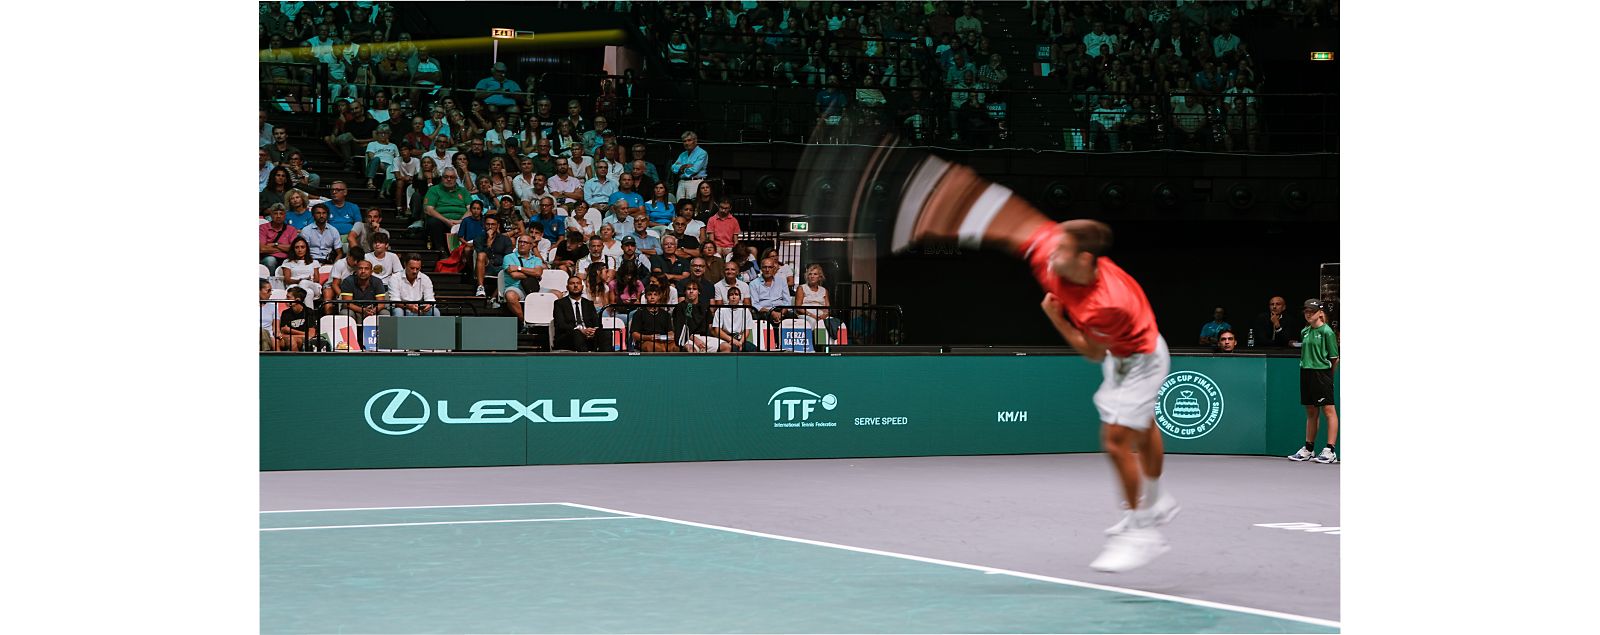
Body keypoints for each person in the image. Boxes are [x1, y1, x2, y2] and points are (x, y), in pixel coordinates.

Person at [1288, 299, 1340, 464]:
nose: (1308, 313)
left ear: (1320, 312)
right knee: (1311, 411)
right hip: (1306, 373)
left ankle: (1330, 450)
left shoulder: (1327, 332)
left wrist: (1328, 377)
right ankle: (1308, 449)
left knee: (1328, 410)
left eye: (1311, 311)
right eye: (1306, 311)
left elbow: (1334, 358)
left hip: (1322, 373)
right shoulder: (1305, 331)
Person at [552, 273, 607, 351]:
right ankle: (583, 360)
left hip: (588, 335)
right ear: (567, 287)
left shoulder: (589, 303)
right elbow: (560, 324)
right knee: (577, 333)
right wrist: (581, 330)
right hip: (568, 337)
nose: (575, 286)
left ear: (582, 287)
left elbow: (596, 322)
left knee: (605, 333)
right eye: (572, 283)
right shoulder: (559, 303)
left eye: (578, 283)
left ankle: (606, 360)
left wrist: (593, 331)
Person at [501, 234, 546, 326]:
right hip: (516, 287)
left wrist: (518, 268)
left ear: (530, 245)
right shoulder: (509, 257)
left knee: (558, 294)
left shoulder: (537, 259)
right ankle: (524, 321)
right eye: (520, 242)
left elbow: (538, 273)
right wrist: (532, 274)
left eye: (525, 242)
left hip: (533, 287)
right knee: (510, 295)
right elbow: (514, 275)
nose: (522, 244)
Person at [423, 167, 471, 252]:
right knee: (433, 222)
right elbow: (428, 209)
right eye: (446, 177)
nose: (449, 179)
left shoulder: (463, 191)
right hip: (442, 221)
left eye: (452, 177)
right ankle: (441, 250)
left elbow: (471, 209)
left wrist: (460, 221)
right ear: (442, 178)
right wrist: (446, 221)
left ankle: (465, 250)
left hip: (461, 221)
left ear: (456, 179)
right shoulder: (434, 190)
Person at [473, 214, 515, 299]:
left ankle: (493, 298)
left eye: (493, 224)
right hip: (486, 266)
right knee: (481, 254)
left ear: (498, 226)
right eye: (488, 224)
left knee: (508, 266)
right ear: (484, 225)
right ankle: (480, 287)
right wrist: (488, 242)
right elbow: (479, 254)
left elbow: (508, 257)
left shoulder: (505, 240)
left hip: (501, 267)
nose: (490, 227)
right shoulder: (478, 239)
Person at [337, 259, 388, 323]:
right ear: (356, 270)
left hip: (373, 311)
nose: (363, 271)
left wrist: (372, 311)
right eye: (360, 268)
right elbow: (347, 304)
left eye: (366, 269)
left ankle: (383, 333)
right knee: (346, 313)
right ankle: (349, 333)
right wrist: (363, 310)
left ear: (371, 271)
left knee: (385, 313)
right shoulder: (348, 281)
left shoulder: (377, 282)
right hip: (354, 310)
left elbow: (381, 304)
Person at [630, 286, 678, 352]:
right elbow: (634, 334)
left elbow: (670, 331)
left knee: (676, 346)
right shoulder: (639, 313)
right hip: (646, 340)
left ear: (659, 296)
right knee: (657, 348)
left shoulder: (665, 314)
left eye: (655, 294)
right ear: (646, 296)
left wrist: (670, 336)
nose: (652, 297)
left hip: (663, 341)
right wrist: (649, 337)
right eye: (649, 294)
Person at [711, 287, 759, 351]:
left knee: (753, 349)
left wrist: (740, 343)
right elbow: (717, 330)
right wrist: (732, 340)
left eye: (736, 294)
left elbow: (747, 330)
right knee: (733, 349)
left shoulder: (745, 310)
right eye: (731, 295)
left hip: (740, 339)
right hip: (726, 339)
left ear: (740, 297)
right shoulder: (721, 309)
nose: (734, 297)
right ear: (728, 298)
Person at [749, 257, 794, 323]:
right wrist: (772, 313)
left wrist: (781, 313)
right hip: (764, 311)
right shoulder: (753, 284)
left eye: (770, 267)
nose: (767, 270)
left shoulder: (781, 280)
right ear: (761, 269)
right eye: (764, 267)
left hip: (781, 310)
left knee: (794, 318)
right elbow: (755, 304)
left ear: (774, 269)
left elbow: (787, 301)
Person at [669, 130, 709, 202]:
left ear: (695, 141)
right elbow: (673, 168)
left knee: (692, 207)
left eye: (689, 140)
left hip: (695, 182)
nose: (686, 143)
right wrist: (684, 166)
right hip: (681, 182)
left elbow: (694, 170)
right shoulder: (683, 154)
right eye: (684, 141)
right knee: (679, 206)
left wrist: (680, 168)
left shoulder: (702, 153)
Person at [674, 283, 714, 352]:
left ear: (699, 292)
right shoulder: (680, 307)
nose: (691, 291)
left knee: (726, 346)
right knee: (691, 350)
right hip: (687, 338)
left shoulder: (704, 307)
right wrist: (695, 339)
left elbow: (710, 326)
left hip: (704, 337)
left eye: (694, 289)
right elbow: (681, 328)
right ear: (685, 292)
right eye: (689, 289)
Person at [259, 205, 299, 271]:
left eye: (281, 213)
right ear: (271, 215)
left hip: (286, 258)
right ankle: (270, 280)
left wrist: (275, 244)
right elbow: (262, 249)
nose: (278, 216)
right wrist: (284, 248)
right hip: (268, 258)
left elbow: (293, 248)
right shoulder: (263, 228)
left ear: (285, 215)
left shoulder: (292, 229)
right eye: (275, 213)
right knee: (271, 260)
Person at [275, 286, 316, 352]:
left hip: (303, 339)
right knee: (290, 340)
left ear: (297, 300)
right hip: (290, 338)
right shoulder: (285, 313)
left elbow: (311, 335)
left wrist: (290, 330)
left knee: (291, 340)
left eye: (288, 297)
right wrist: (303, 334)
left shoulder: (309, 312)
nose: (285, 299)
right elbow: (282, 333)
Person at [260, 279, 280, 352]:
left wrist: (278, 336)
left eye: (271, 291)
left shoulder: (273, 306)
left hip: (269, 337)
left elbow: (276, 329)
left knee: (265, 334)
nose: (270, 293)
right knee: (262, 332)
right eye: (268, 291)